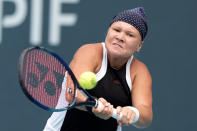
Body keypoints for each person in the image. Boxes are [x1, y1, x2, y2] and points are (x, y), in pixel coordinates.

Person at [43, 7, 153, 131]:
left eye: (130, 35)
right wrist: (93, 106)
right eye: (116, 30)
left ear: (139, 45)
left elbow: (146, 114)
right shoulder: (89, 52)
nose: (120, 37)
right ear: (108, 32)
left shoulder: (139, 71)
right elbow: (72, 92)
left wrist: (133, 113)